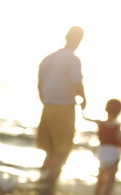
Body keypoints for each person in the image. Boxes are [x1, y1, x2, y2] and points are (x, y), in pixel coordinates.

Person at [36, 26, 86, 186]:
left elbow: (39, 85)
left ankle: (42, 180)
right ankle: (51, 183)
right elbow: (77, 83)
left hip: (48, 106)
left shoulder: (48, 58)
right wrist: (84, 99)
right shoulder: (73, 60)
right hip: (64, 108)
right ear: (79, 40)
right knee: (62, 150)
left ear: (66, 36)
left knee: (50, 149)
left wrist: (45, 100)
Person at [83, 99, 121, 195]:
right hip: (114, 153)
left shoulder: (100, 123)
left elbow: (85, 118)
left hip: (103, 152)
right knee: (110, 180)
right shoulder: (116, 127)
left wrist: (82, 109)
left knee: (101, 177)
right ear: (119, 112)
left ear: (106, 109)